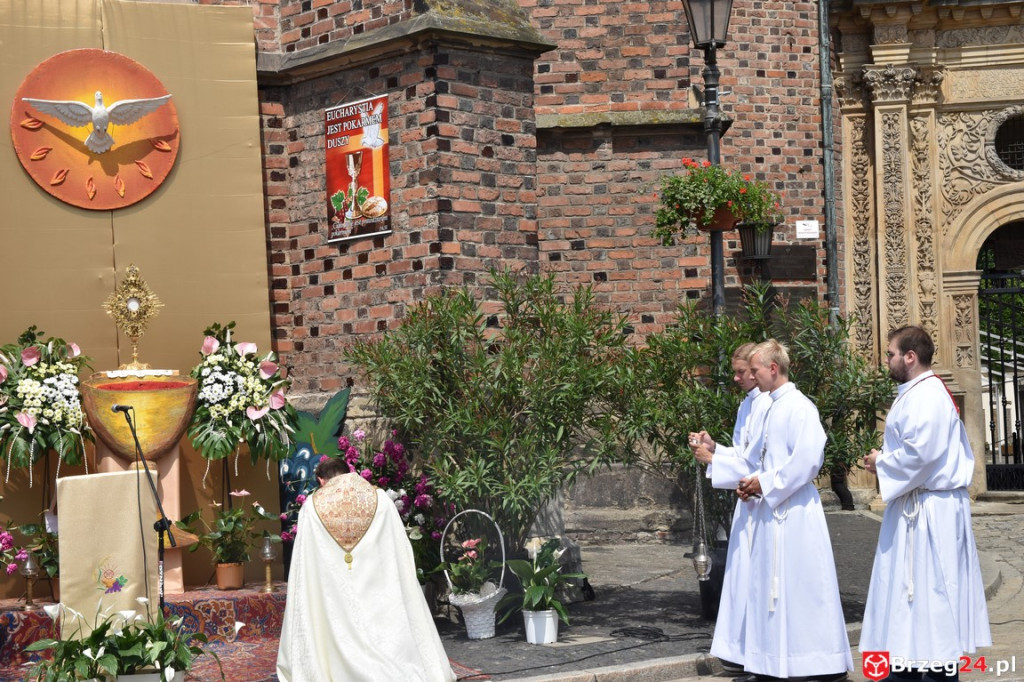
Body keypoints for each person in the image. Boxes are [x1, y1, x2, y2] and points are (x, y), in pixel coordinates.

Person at [861, 326, 991, 682]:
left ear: (909, 357)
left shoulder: (926, 395)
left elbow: (921, 455)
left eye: (890, 353)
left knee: (933, 594)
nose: (885, 360)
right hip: (918, 506)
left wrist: (881, 461)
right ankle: (909, 661)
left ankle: (933, 670)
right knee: (912, 597)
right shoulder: (916, 392)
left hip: (931, 513)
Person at [732, 339, 852, 682]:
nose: (751, 376)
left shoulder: (800, 407)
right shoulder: (769, 406)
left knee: (802, 586)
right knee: (772, 587)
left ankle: (817, 661)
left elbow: (808, 460)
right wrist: (750, 484)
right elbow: (758, 456)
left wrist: (766, 483)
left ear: (773, 369)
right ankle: (774, 662)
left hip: (796, 511)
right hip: (772, 508)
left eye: (754, 370)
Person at [277, 456, 457, 682]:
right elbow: (398, 551)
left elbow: (306, 565)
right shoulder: (380, 499)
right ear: (348, 472)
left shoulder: (311, 508)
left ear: (322, 481)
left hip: (333, 594)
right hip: (379, 587)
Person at [689, 342, 770, 675]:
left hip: (765, 504)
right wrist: (716, 449)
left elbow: (761, 464)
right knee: (741, 578)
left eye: (741, 372)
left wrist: (714, 461)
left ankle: (757, 652)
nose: (736, 378)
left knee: (758, 581)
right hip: (748, 506)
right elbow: (742, 455)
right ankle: (741, 651)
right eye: (735, 372)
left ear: (757, 369)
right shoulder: (747, 405)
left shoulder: (770, 405)